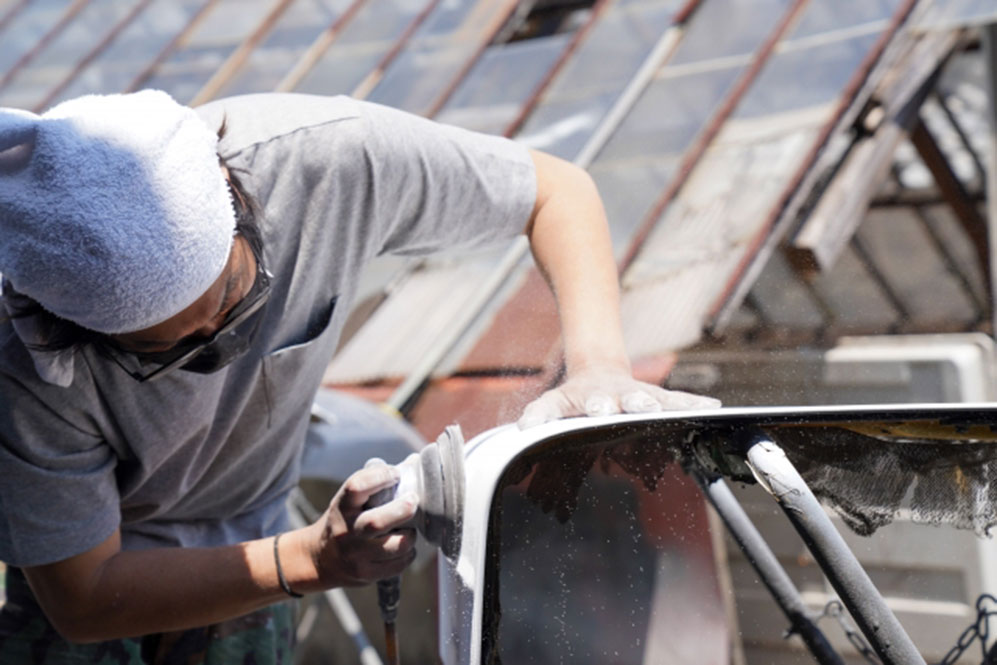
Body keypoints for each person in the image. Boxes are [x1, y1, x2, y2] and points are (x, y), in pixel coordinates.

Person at [0, 90, 717, 663]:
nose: (214, 347)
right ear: (66, 325)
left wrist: (596, 366)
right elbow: (84, 595)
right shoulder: (20, 351)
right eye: (165, 352)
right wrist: (310, 556)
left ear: (233, 194)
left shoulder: (326, 161)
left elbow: (555, 190)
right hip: (84, 583)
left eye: (231, 302)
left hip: (250, 559)